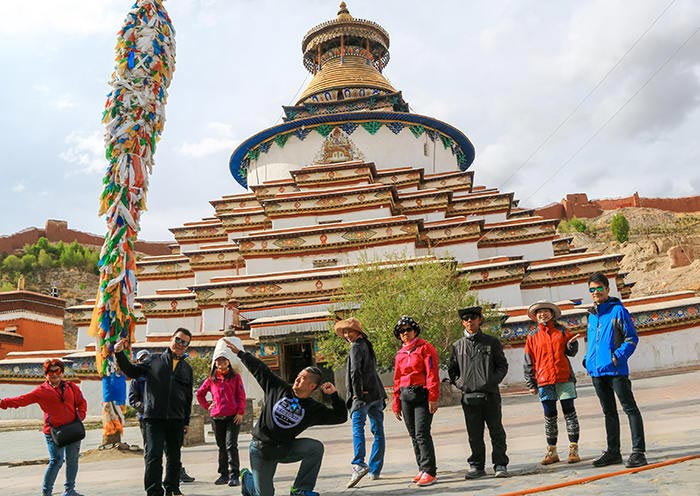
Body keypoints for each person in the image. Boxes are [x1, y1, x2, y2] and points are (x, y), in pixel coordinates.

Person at [223, 341, 347, 496]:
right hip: (261, 449)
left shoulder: (313, 409)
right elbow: (260, 369)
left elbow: (340, 417)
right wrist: (241, 353)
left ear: (312, 386)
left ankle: (300, 489)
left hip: (284, 448)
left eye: (303, 378)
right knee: (264, 494)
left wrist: (334, 395)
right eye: (299, 376)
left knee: (315, 448)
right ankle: (248, 479)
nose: (297, 379)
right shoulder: (278, 387)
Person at [115, 328, 194, 496]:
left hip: (176, 419)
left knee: (174, 457)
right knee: (153, 456)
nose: (180, 345)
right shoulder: (153, 360)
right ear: (171, 339)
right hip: (153, 419)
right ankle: (153, 491)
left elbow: (188, 398)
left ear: (187, 347)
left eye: (184, 343)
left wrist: (186, 421)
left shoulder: (187, 369)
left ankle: (172, 488)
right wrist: (120, 354)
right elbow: (132, 371)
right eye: (178, 340)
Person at [584, 272, 648, 468]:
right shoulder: (591, 315)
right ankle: (613, 452)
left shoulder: (618, 311)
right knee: (609, 412)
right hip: (597, 372)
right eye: (592, 290)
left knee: (630, 409)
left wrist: (616, 357)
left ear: (607, 289)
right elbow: (592, 343)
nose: (595, 292)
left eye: (599, 288)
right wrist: (587, 360)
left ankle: (638, 452)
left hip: (616, 371)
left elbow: (631, 339)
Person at [0, 358, 87, 496]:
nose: (54, 374)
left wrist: (80, 415)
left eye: (57, 371)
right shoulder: (41, 391)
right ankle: (47, 493)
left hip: (72, 430)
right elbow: (21, 400)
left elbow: (81, 402)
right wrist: (2, 403)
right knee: (56, 461)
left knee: (72, 460)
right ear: (46, 374)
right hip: (54, 432)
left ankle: (69, 491)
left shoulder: (71, 387)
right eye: (50, 372)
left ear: (62, 373)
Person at [448, 306, 509, 479]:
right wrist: (462, 384)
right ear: (462, 322)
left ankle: (500, 464)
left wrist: (490, 382)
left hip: (490, 395)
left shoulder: (492, 342)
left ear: (479, 320)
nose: (470, 321)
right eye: (466, 318)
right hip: (469, 397)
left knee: (496, 431)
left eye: (473, 317)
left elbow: (502, 366)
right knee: (474, 433)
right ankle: (476, 466)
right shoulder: (457, 346)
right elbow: (452, 371)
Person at [524, 301, 581, 465]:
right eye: (539, 313)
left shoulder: (563, 331)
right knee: (550, 416)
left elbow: (571, 352)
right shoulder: (532, 336)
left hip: (564, 377)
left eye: (545, 312)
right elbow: (528, 360)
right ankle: (552, 451)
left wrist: (572, 345)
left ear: (552, 314)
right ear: (535, 317)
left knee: (569, 413)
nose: (543, 315)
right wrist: (531, 383)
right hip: (544, 380)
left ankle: (573, 448)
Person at [128, 350, 196, 484]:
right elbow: (132, 400)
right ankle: (153, 484)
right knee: (153, 452)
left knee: (172, 452)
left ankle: (175, 478)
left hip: (169, 417)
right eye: (142, 359)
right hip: (147, 419)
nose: (145, 361)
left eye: (147, 358)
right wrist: (147, 407)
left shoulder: (159, 374)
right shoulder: (137, 380)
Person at [334, 317, 387, 488]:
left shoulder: (356, 347)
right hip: (376, 394)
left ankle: (359, 464)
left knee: (358, 430)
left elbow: (355, 372)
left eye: (350, 331)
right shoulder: (367, 345)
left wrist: (356, 394)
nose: (347, 335)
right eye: (345, 332)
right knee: (378, 431)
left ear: (358, 332)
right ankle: (375, 469)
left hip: (363, 397)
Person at [391, 315, 440, 487]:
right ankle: (422, 467)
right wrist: (396, 402)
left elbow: (432, 373)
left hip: (422, 395)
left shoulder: (426, 348)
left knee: (422, 433)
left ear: (415, 331)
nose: (405, 333)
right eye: (401, 331)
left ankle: (430, 471)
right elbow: (397, 379)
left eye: (408, 330)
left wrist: (433, 397)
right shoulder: (400, 355)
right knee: (413, 434)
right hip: (405, 396)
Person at [196, 342, 246, 487]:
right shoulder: (211, 379)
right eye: (218, 361)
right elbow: (200, 394)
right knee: (222, 446)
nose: (221, 363)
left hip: (233, 417)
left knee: (231, 445)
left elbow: (241, 395)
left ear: (229, 362)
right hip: (217, 417)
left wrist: (240, 412)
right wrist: (207, 405)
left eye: (223, 360)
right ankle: (223, 474)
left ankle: (234, 474)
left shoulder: (235, 377)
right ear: (215, 364)